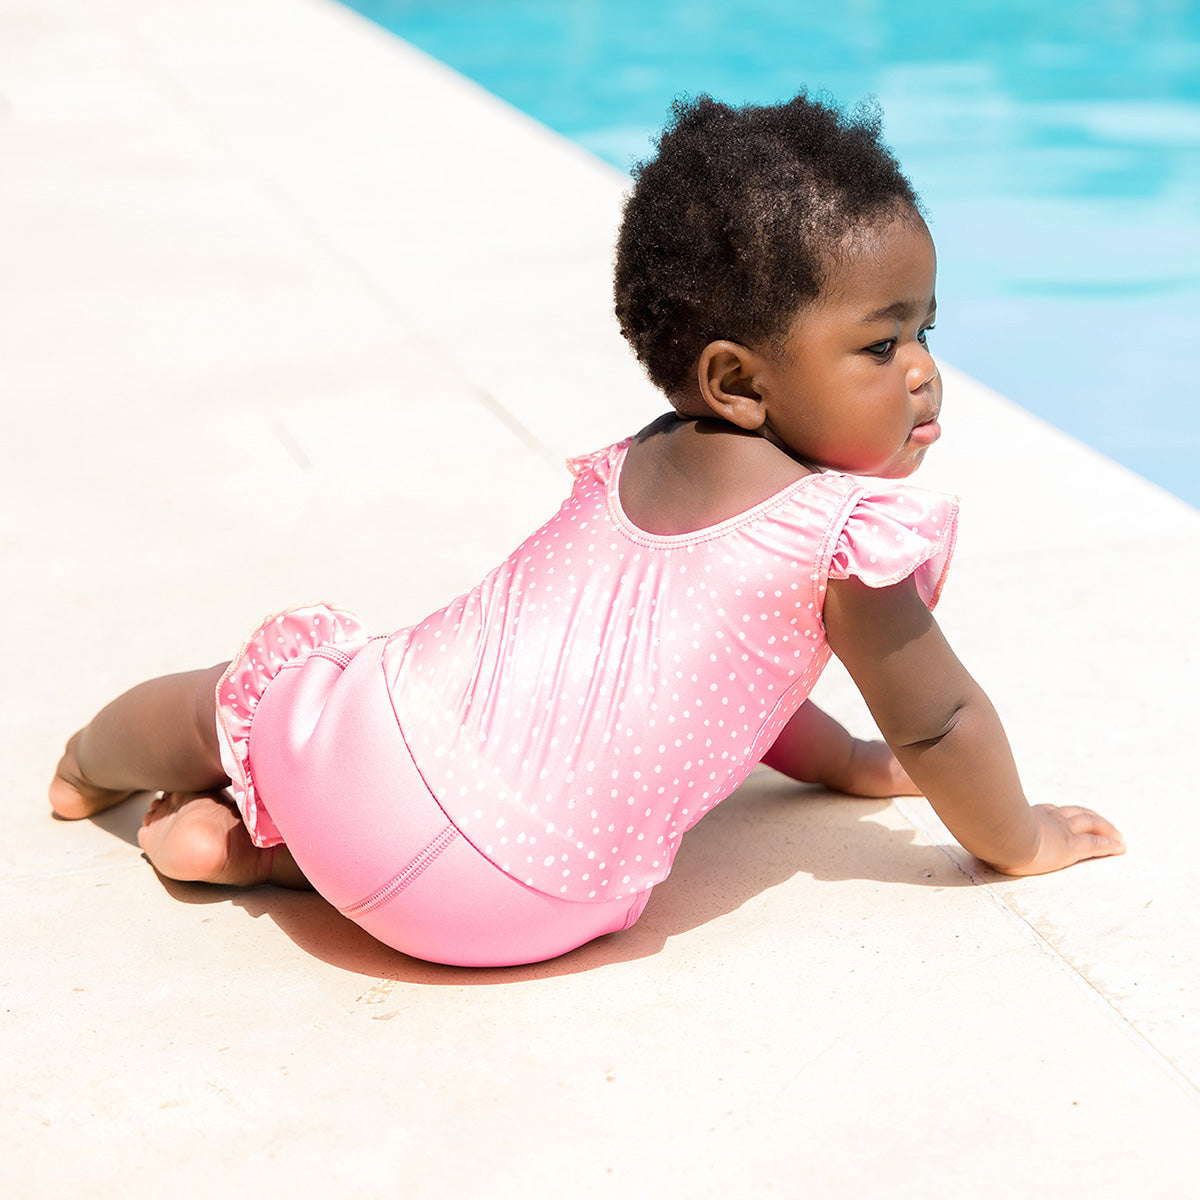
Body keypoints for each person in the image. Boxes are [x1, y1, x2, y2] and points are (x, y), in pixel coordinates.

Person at [48, 91, 1124, 967]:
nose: (926, 372)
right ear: (739, 381)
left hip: (367, 784)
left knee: (240, 695)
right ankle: (246, 855)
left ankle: (97, 764)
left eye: (926, 332)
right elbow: (932, 723)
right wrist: (1017, 837)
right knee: (440, 827)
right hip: (517, 914)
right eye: (882, 346)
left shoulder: (652, 459)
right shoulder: (845, 540)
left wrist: (837, 752)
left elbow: (717, 684)